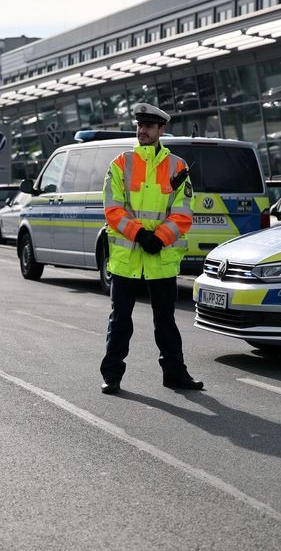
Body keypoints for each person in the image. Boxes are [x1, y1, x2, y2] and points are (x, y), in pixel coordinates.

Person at [99, 103, 203, 395]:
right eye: (140, 125)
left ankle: (174, 374)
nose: (142, 130)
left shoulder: (177, 166)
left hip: (161, 258)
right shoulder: (121, 163)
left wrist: (160, 238)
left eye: (148, 126)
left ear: (161, 130)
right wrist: (140, 234)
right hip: (127, 258)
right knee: (120, 320)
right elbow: (112, 208)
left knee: (165, 321)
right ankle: (112, 376)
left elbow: (183, 213)